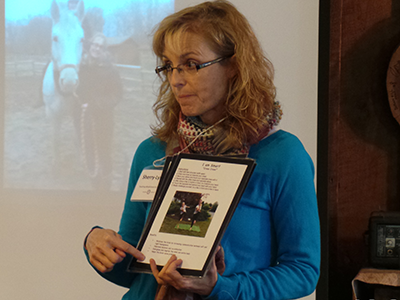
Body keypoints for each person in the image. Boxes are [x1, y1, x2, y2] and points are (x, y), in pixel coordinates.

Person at [84, 1, 320, 299]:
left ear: (234, 65)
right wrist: (97, 243)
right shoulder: (152, 152)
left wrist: (220, 288)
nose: (176, 79)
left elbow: (302, 272)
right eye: (169, 66)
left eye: (192, 65)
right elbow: (133, 268)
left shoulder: (282, 155)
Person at [76, 33, 123, 190]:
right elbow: (79, 90)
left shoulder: (111, 71)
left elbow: (117, 95)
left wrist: (98, 104)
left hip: (104, 119)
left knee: (104, 151)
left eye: (100, 46)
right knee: (89, 150)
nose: (96, 48)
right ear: (90, 47)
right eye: (94, 45)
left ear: (104, 50)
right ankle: (94, 183)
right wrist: (81, 102)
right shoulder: (82, 68)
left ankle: (106, 185)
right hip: (87, 118)